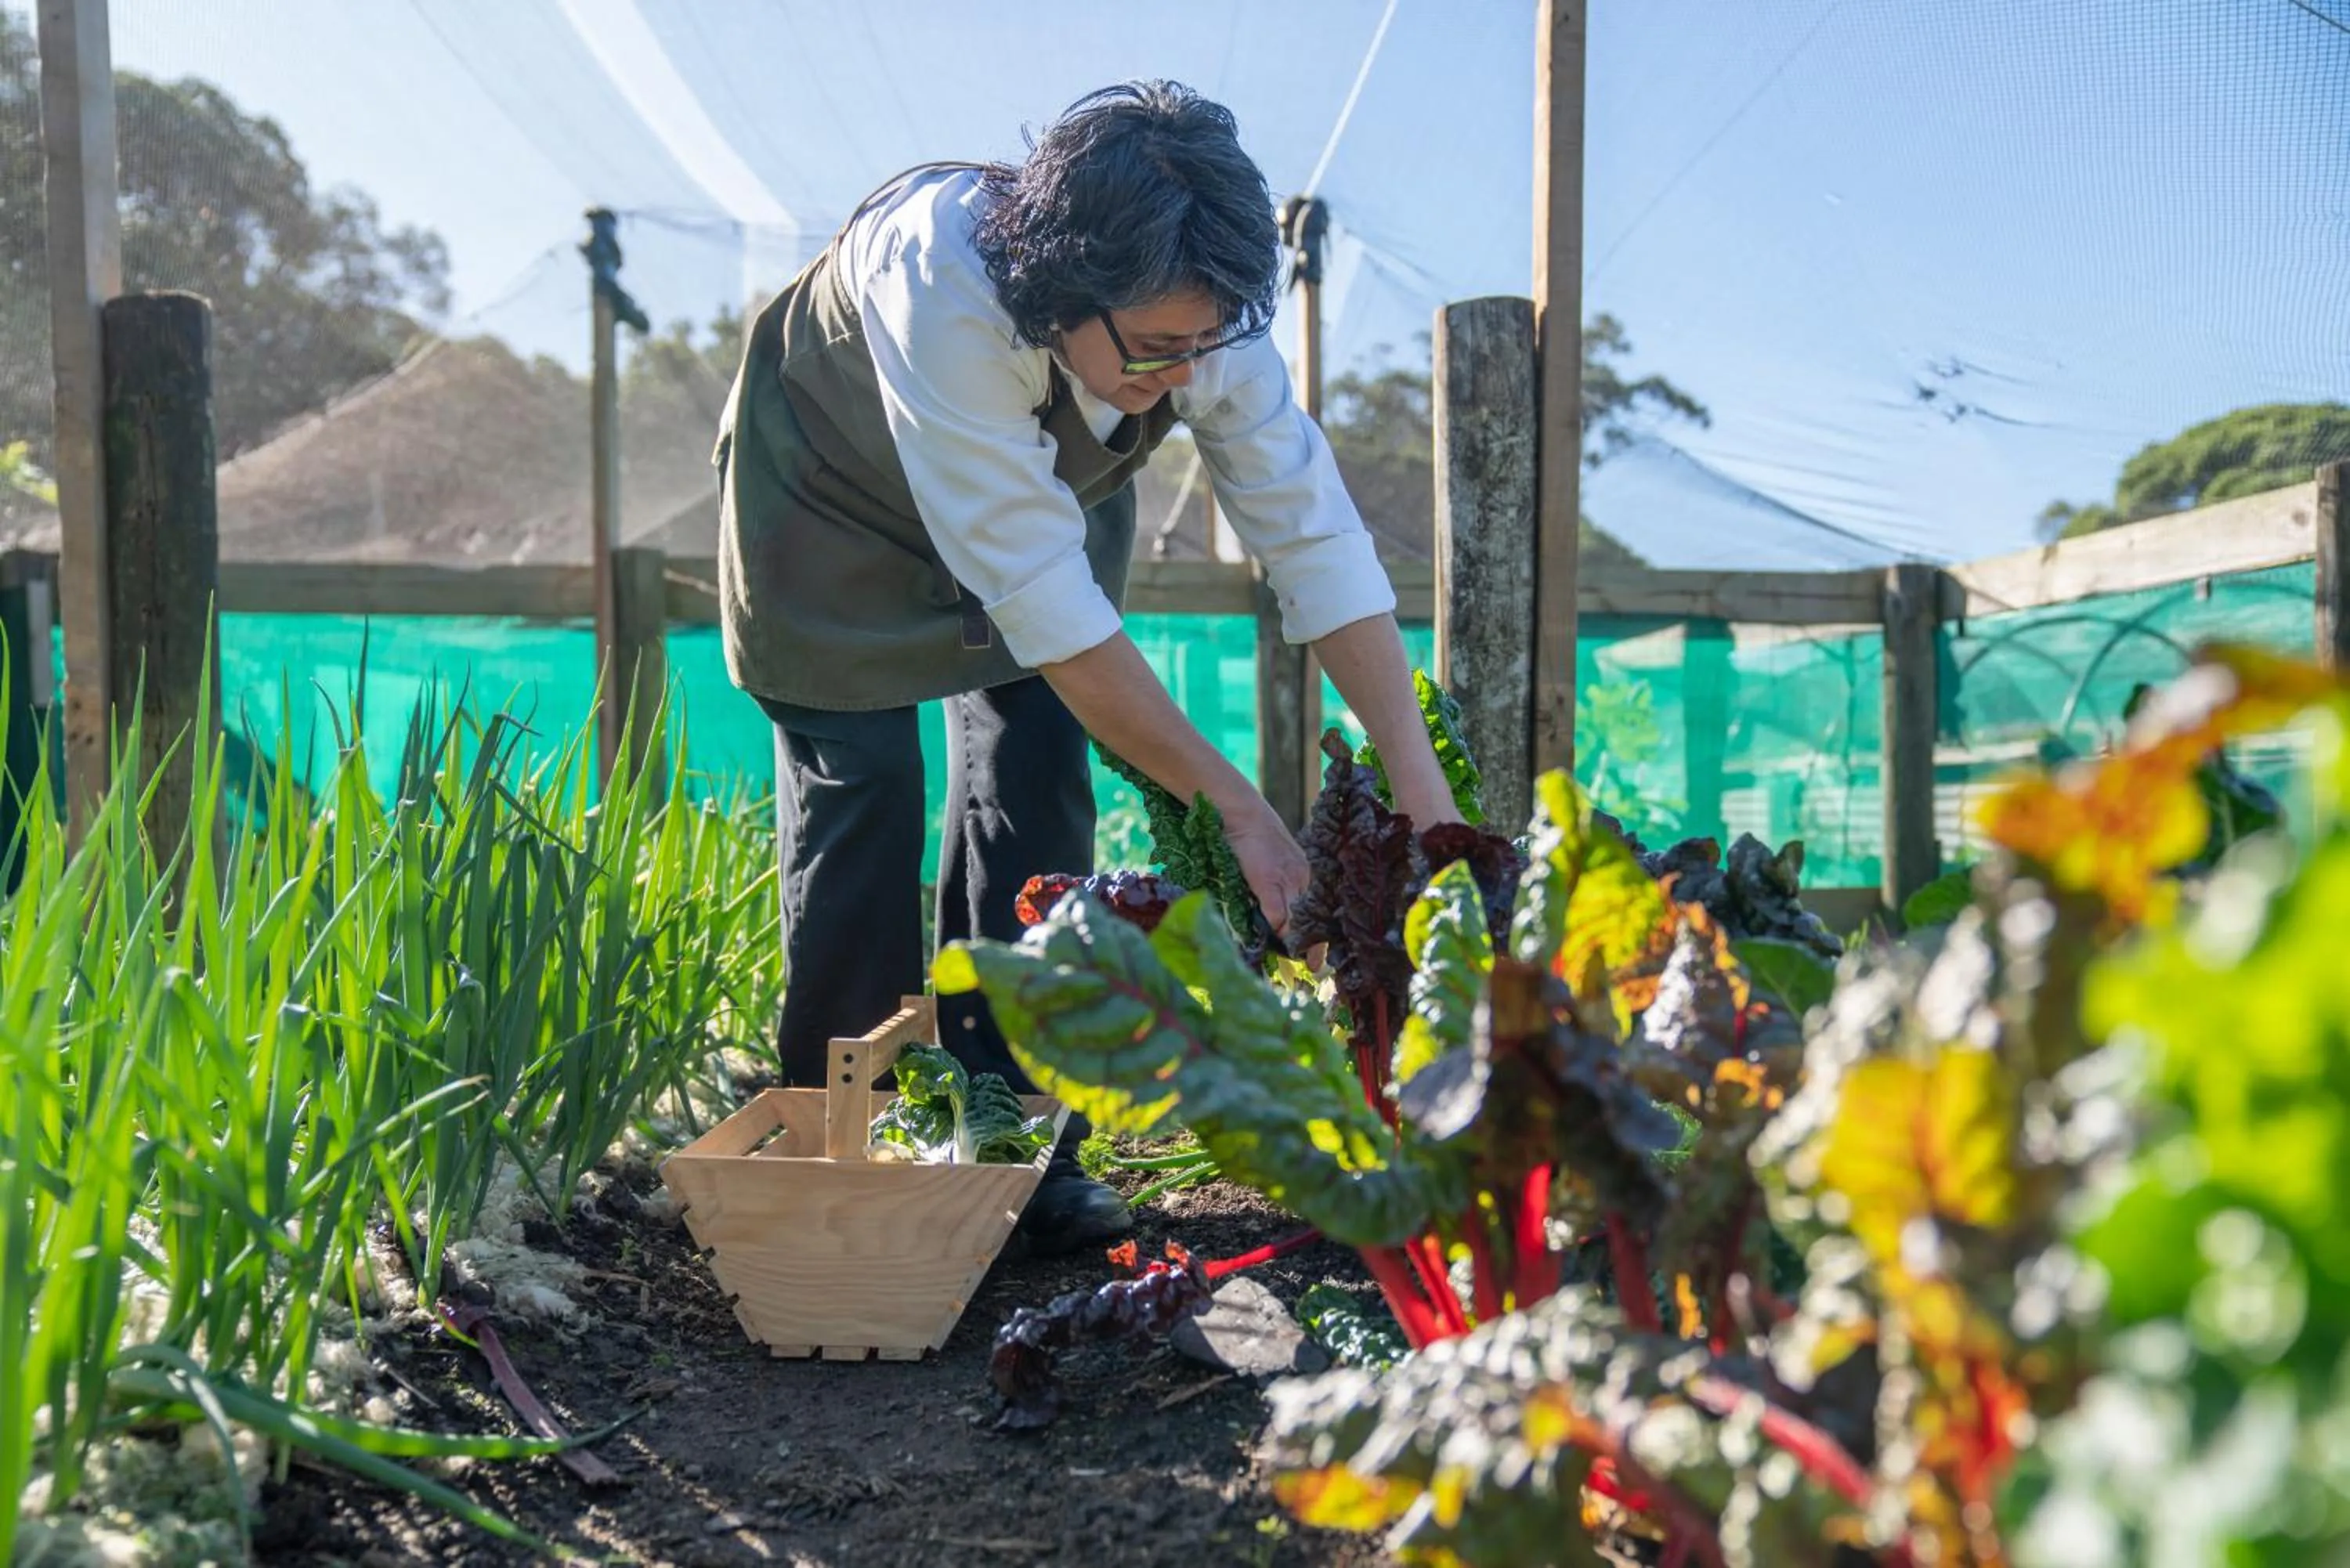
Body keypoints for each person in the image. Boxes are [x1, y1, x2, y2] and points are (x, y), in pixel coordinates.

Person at [714, 80, 1466, 1255]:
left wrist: (1431, 805)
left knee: (1039, 760)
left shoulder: (1200, 315)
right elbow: (1053, 614)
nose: (1184, 373)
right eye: (1156, 348)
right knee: (861, 787)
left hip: (1035, 492)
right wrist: (1238, 808)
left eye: (1203, 346)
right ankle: (841, 1153)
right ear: (1065, 290)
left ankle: (1017, 1132)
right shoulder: (942, 291)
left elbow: (1314, 540)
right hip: (832, 491)